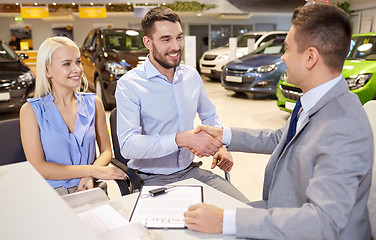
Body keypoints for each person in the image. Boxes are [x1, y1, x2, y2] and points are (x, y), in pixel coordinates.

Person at [184, 4, 374, 240]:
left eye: (287, 48)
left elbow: (324, 222)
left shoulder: (344, 126)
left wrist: (224, 221)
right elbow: (280, 138)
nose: (283, 57)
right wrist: (224, 135)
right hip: (284, 213)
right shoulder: (314, 99)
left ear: (311, 57)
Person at [115, 6, 248, 202]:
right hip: (151, 180)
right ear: (148, 42)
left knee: (244, 209)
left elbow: (209, 115)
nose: (176, 46)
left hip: (190, 172)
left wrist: (219, 145)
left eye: (179, 37)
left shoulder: (191, 76)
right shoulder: (130, 84)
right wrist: (181, 139)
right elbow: (128, 146)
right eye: (166, 39)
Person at [20, 36, 127, 196]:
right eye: (66, 64)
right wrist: (92, 171)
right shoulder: (30, 111)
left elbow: (106, 151)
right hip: (52, 196)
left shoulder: (94, 103)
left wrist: (89, 176)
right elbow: (39, 167)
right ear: (48, 70)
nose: (77, 69)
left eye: (77, 62)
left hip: (91, 188)